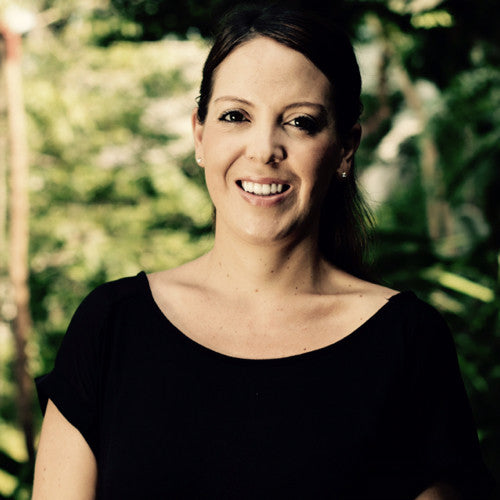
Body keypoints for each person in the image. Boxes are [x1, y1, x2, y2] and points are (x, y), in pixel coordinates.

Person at [32, 5, 494, 500]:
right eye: (235, 116)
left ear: (344, 148)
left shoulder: (408, 342)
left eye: (300, 122)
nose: (263, 148)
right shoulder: (111, 326)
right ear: (200, 135)